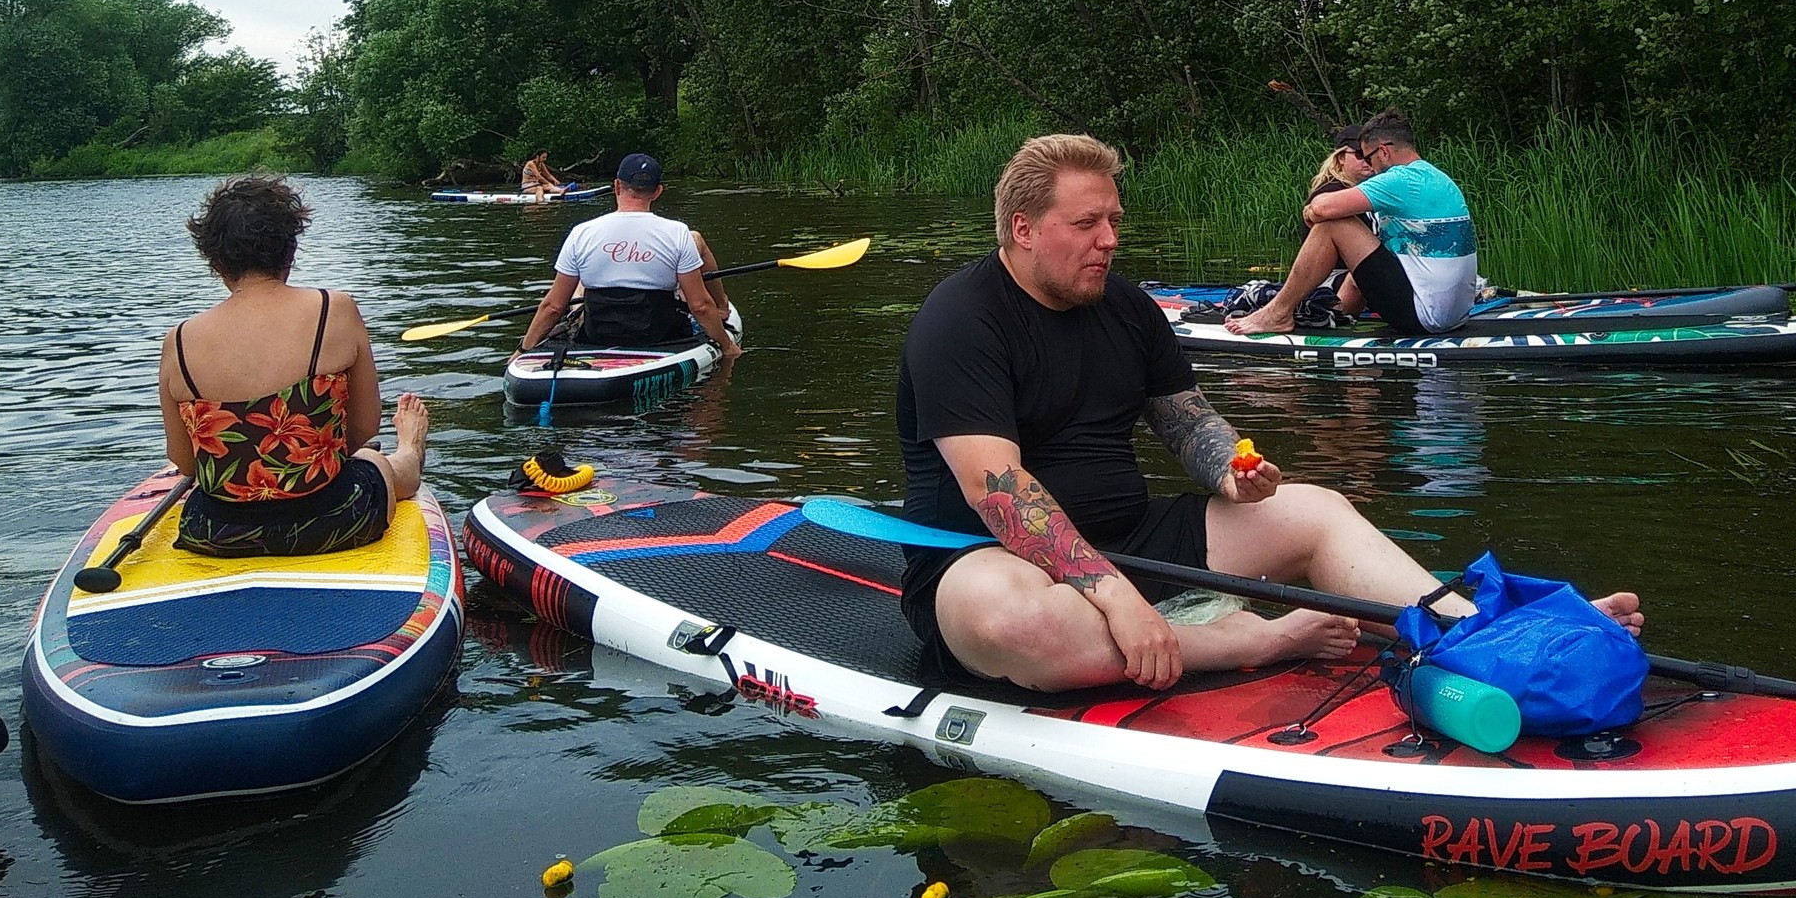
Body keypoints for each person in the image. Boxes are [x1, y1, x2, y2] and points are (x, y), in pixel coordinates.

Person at [897, 133, 1640, 693]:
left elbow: (1186, 417)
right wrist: (1114, 597)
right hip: (987, 559)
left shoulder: (1124, 306)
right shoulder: (960, 318)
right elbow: (996, 489)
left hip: (1134, 541)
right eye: (1087, 223)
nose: (1111, 240)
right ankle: (1247, 639)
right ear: (1023, 228)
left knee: (1313, 507)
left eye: (1114, 219)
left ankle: (1489, 636)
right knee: (1014, 621)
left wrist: (1231, 467)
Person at [158, 174, 430, 556]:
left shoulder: (178, 340)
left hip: (217, 530)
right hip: (332, 520)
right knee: (373, 459)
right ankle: (409, 449)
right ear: (290, 251)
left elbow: (185, 460)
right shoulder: (333, 310)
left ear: (215, 262)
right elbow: (363, 429)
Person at [1228, 110, 1476, 338]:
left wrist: (1311, 211)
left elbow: (1323, 208)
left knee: (1333, 225)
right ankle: (1323, 310)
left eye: (1369, 157)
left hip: (1425, 316)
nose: (1371, 167)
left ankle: (1278, 314)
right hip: (1456, 315)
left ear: (1384, 152)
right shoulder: (1437, 176)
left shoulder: (1398, 179)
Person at [523, 153, 741, 355]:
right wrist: (727, 346)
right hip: (659, 338)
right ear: (657, 191)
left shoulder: (581, 233)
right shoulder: (678, 233)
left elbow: (552, 307)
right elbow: (700, 306)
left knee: (582, 279)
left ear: (617, 186)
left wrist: (522, 351)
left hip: (598, 336)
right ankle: (722, 307)